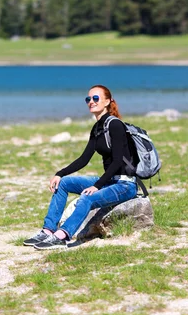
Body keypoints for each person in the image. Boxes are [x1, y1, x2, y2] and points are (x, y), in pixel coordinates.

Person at [24, 84, 138, 250]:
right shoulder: (97, 128)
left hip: (125, 185)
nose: (91, 101)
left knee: (87, 197)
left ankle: (62, 236)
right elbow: (84, 159)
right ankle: (48, 231)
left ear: (107, 102)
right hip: (109, 181)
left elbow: (118, 162)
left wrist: (96, 186)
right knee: (63, 183)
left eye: (96, 98)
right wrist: (59, 174)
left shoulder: (115, 125)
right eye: (88, 99)